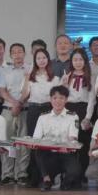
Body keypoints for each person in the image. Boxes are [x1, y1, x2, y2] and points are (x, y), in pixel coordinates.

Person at [31, 85, 83, 191]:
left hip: (66, 153)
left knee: (75, 172)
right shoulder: (43, 117)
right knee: (37, 151)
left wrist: (68, 146)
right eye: (55, 98)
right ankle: (47, 180)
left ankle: (64, 181)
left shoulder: (73, 116)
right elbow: (36, 138)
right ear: (50, 99)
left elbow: (73, 138)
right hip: (48, 154)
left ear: (66, 100)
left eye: (61, 98)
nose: (58, 101)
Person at [23, 48, 62, 183]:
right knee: (34, 143)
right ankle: (34, 176)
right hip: (33, 110)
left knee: (48, 142)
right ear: (35, 61)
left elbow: (59, 96)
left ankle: (48, 175)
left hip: (48, 110)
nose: (41, 60)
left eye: (44, 58)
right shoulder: (30, 77)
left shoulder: (55, 78)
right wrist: (26, 79)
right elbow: (24, 95)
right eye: (38, 58)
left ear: (48, 60)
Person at [0, 43, 29, 185]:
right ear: (10, 55)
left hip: (25, 110)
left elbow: (30, 89)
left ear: (24, 53)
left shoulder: (30, 69)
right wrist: (14, 103)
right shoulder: (4, 71)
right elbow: (2, 91)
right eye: (14, 52)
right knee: (7, 142)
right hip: (8, 109)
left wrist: (20, 103)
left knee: (24, 144)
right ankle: (7, 174)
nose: (17, 54)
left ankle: (22, 173)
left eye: (20, 51)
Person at [64, 47, 95, 174]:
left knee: (83, 143)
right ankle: (69, 173)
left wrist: (88, 117)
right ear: (71, 61)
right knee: (70, 142)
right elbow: (62, 96)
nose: (78, 62)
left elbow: (92, 99)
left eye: (80, 59)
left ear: (85, 61)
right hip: (69, 110)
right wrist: (64, 83)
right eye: (75, 60)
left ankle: (82, 173)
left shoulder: (90, 77)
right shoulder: (67, 76)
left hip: (84, 110)